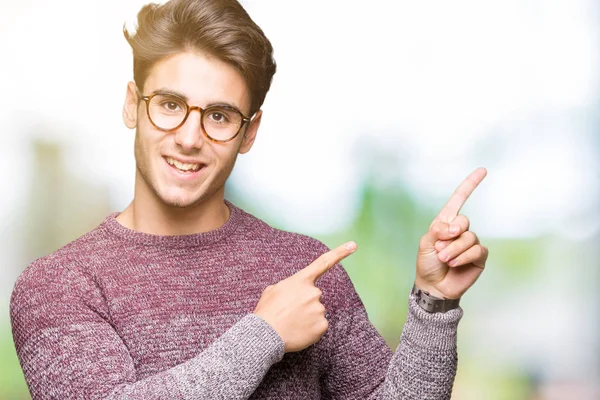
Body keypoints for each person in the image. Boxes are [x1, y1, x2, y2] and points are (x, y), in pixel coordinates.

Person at [9, 0, 489, 398]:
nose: (189, 138)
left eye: (218, 116)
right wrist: (264, 334)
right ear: (133, 104)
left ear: (249, 132)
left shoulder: (305, 270)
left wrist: (436, 303)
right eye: (171, 105)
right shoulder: (58, 287)